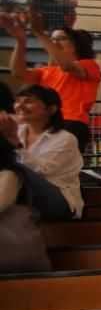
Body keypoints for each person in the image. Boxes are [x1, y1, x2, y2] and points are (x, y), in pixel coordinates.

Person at [1, 9, 101, 155]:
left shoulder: (89, 65)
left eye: (61, 38)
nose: (54, 42)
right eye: (52, 38)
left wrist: (39, 32)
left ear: (77, 43)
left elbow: (67, 66)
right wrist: (20, 40)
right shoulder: (47, 71)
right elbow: (18, 73)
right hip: (44, 123)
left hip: (71, 122)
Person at [0, 85, 83, 221]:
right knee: (9, 172)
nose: (20, 105)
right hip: (23, 194)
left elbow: (43, 171)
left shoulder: (65, 138)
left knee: (13, 171)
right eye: (18, 100)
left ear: (51, 109)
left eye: (29, 101)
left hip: (59, 201)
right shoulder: (18, 131)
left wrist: (14, 142)